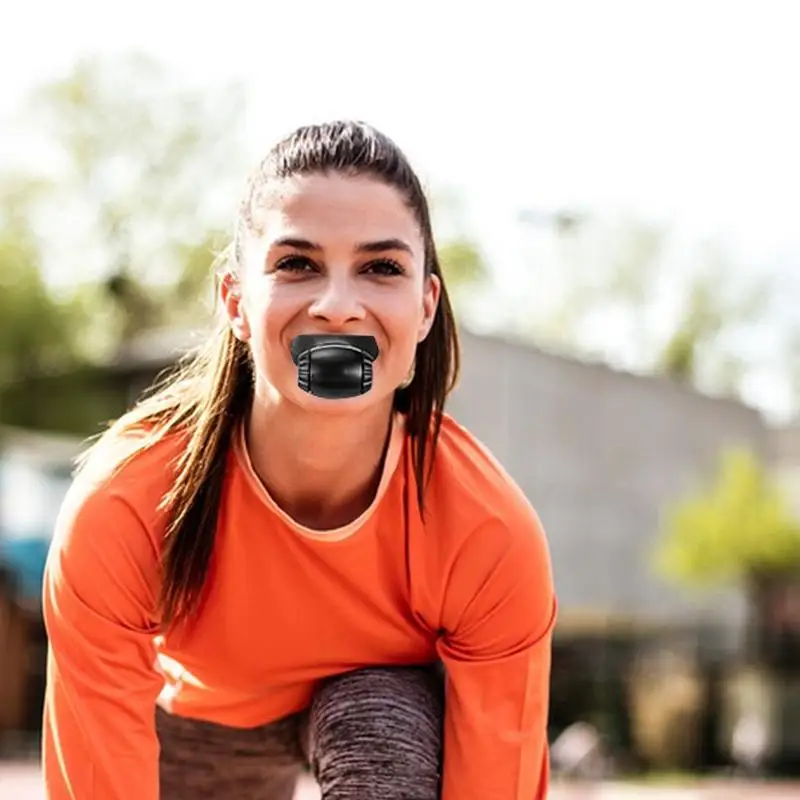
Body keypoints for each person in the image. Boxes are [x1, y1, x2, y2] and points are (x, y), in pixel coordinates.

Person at [41, 120, 557, 799]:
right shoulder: (126, 502)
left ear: (426, 308)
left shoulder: (487, 533)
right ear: (235, 301)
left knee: (380, 727)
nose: (338, 307)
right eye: (297, 264)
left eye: (381, 268)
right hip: (197, 727)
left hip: (374, 709)